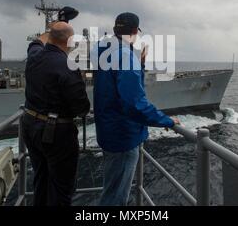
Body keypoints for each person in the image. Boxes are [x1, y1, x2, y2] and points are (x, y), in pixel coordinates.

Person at [93, 12, 180, 206]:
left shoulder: (103, 50)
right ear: (134, 31)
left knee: (111, 190)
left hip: (107, 131)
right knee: (116, 198)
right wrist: (166, 120)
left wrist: (137, 63)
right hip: (123, 136)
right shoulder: (125, 57)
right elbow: (135, 104)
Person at [21, 21, 90, 206]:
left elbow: (35, 42)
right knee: (61, 190)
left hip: (30, 126)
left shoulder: (34, 55)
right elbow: (82, 109)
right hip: (56, 134)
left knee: (41, 180)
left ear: (50, 37)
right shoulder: (68, 66)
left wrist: (55, 26)